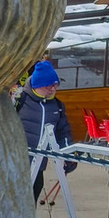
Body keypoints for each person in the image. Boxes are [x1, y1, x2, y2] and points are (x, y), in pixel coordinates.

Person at [16, 60, 74, 203]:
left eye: (55, 85)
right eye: (48, 86)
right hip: (16, 164)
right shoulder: (20, 100)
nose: (52, 89)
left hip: (38, 165)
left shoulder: (57, 106)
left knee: (34, 194)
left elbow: (63, 132)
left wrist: (68, 155)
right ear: (37, 85)